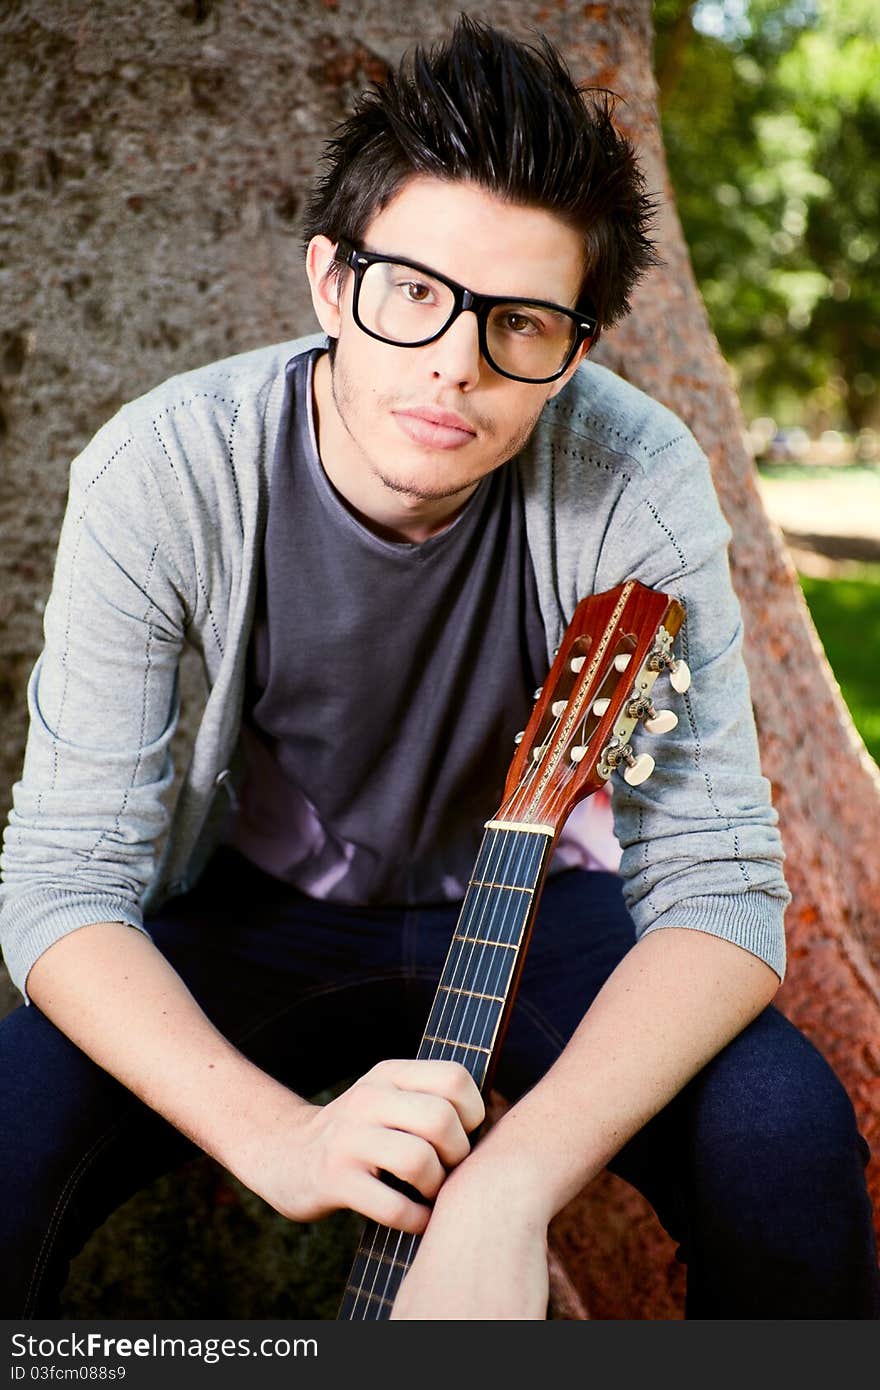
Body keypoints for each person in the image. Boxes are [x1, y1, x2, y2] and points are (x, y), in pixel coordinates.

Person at [0, 14, 877, 1321]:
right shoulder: (166, 468)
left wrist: (510, 1183)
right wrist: (277, 1135)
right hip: (257, 909)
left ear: (576, 349)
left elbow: (724, 890)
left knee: (781, 1131)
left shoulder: (632, 475)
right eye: (413, 289)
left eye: (520, 321)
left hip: (536, 909)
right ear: (328, 280)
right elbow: (64, 887)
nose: (453, 362)